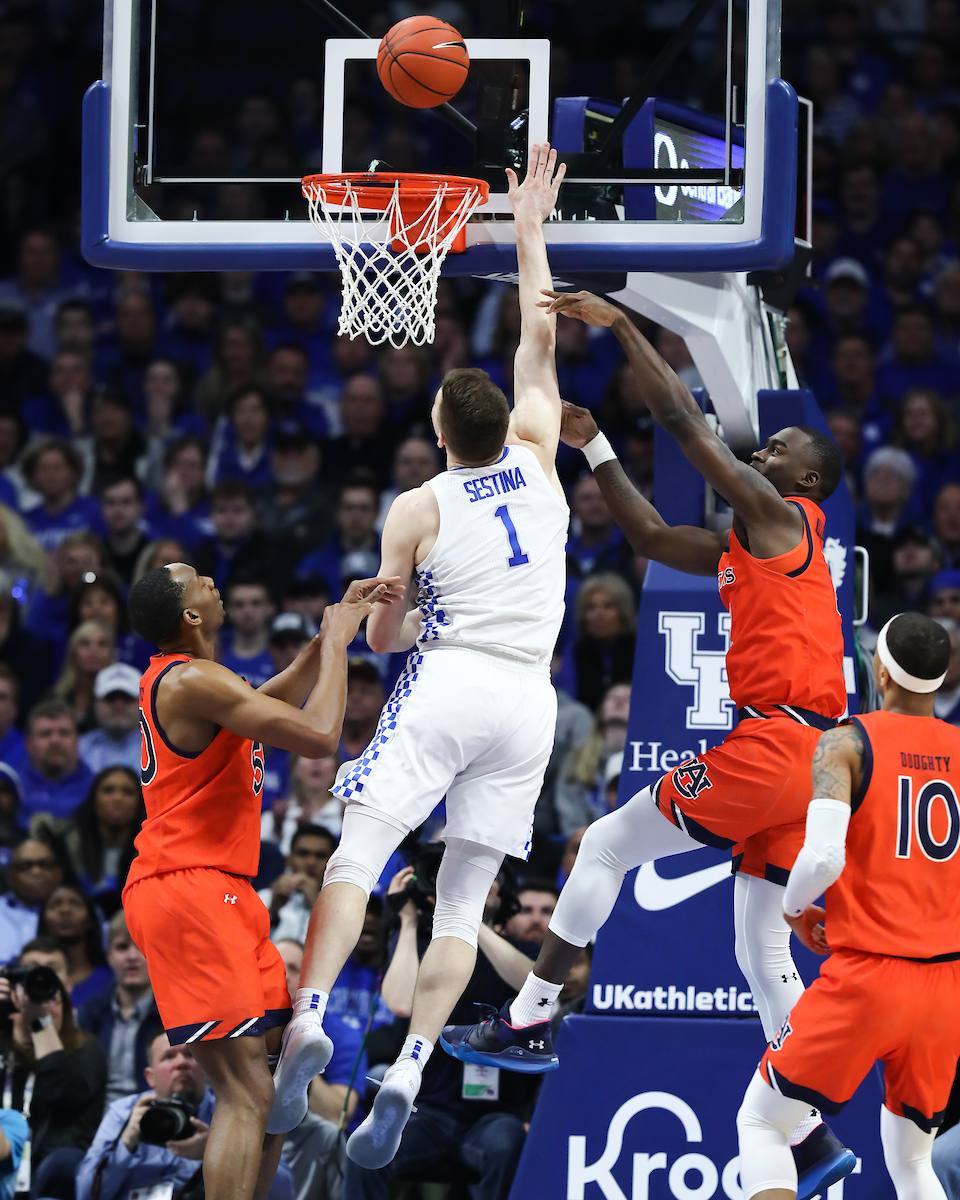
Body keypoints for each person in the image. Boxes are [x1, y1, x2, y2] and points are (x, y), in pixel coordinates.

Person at [442, 286, 854, 1198]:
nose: (763, 448)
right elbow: (648, 534)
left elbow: (681, 418)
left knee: (605, 844)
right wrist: (592, 445)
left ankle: (533, 1015)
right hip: (811, 763)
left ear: (807, 482)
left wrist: (622, 323)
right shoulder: (749, 545)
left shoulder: (780, 517)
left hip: (778, 747)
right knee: (759, 952)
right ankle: (813, 1132)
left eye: (779, 448)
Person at [270, 143, 569, 1170]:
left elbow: (390, 636)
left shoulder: (420, 503)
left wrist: (373, 616)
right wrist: (529, 223)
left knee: (358, 850)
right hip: (530, 700)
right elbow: (540, 330)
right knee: (461, 898)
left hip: (451, 678)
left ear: (441, 430)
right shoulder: (540, 457)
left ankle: (309, 1014)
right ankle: (411, 1070)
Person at [121, 560, 398, 1200]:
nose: (212, 582)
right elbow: (320, 733)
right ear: (190, 615)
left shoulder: (200, 681)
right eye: (198, 581)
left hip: (220, 889)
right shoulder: (191, 680)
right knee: (245, 1091)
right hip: (186, 886)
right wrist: (334, 645)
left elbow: (269, 700)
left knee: (274, 1084)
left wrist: (333, 634)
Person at [736, 612, 960, 1200]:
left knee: (762, 1122)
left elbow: (822, 859)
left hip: (869, 975)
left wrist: (793, 907)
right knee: (914, 1165)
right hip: (945, 986)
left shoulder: (847, 740)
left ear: (879, 670)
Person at [344, 866, 539, 1200]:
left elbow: (532, 987)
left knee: (508, 1145)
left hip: (493, 1118)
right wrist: (406, 922)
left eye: (488, 875)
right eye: (470, 874)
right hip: (428, 1113)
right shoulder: (426, 948)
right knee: (368, 1151)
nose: (479, 882)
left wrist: (467, 915)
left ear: (504, 892)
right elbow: (401, 1002)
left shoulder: (525, 950)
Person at [76, 1030, 294, 1200]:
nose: (180, 1063)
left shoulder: (235, 1110)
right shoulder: (124, 1112)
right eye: (168, 1057)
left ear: (208, 1067)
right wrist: (126, 1142)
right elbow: (85, 1192)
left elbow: (284, 1190)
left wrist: (216, 1153)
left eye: (189, 1055)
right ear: (150, 1077)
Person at [0, 945, 107, 1197]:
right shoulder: (3, 1046)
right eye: (26, 993)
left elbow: (57, 1092)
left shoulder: (85, 1049)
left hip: (52, 1173)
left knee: (64, 1164)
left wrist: (39, 1021)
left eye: (52, 999)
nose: (41, 1005)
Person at [35, 765, 143, 913]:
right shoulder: (62, 844)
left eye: (128, 792)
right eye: (108, 790)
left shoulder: (152, 849)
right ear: (93, 798)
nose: (118, 798)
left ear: (140, 801)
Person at [78, 911, 161, 1105]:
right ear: (109, 957)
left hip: (157, 1115)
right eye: (122, 947)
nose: (132, 956)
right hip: (97, 1120)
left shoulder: (175, 1013)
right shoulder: (89, 1013)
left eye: (140, 946)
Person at [19, 700, 95, 826]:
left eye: (64, 733)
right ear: (28, 743)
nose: (55, 741)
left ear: (78, 741)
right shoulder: (11, 787)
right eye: (45, 734)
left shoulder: (96, 788)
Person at [38, 883, 113, 1006]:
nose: (65, 910)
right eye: (55, 904)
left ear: (90, 920)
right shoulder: (31, 976)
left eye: (75, 904)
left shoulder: (111, 979)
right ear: (43, 919)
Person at [259, 825, 336, 944]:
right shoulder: (264, 897)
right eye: (303, 854)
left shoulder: (338, 904)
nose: (311, 862)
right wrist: (273, 912)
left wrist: (315, 905)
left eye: (320, 855)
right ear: (288, 859)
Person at [0, 840, 63, 964]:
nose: (36, 872)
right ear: (10, 875)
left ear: (58, 873)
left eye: (44, 865)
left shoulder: (75, 911)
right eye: (25, 866)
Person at [78, 664, 144, 775]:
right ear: (96, 704)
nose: (118, 706)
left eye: (127, 698)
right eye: (110, 698)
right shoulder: (78, 749)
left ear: (142, 704)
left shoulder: (157, 750)